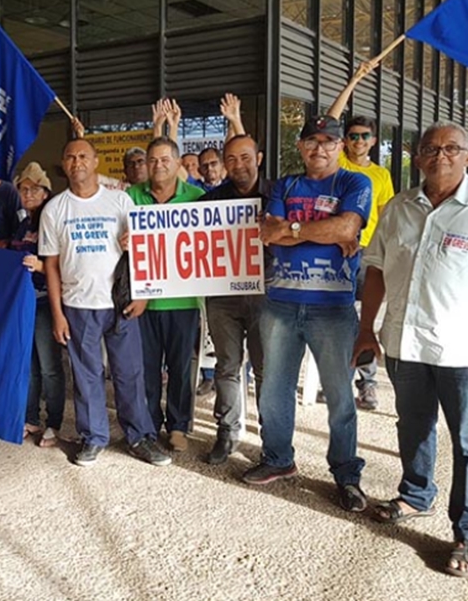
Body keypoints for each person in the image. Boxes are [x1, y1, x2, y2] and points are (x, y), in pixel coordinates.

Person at [353, 122, 468, 578]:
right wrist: (366, 329)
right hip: (404, 344)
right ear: (416, 156)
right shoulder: (397, 208)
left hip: (464, 351)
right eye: (430, 148)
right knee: (413, 425)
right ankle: (415, 494)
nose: (440, 156)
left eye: (452, 148)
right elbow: (374, 270)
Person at [245, 115, 371, 514]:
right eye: (312, 142)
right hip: (280, 303)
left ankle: (346, 475)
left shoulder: (354, 183)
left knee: (339, 397)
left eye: (329, 142)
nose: (320, 148)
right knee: (274, 389)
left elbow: (349, 226)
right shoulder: (285, 185)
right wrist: (325, 229)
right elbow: (268, 232)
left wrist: (294, 229)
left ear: (341, 147)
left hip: (332, 308)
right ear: (300, 147)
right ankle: (278, 459)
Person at [39, 138, 170, 468]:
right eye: (70, 157)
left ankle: (139, 436)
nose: (77, 161)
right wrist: (57, 313)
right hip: (78, 304)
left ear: (96, 162)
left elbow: (144, 251)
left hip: (121, 302)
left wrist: (142, 295)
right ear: (64, 164)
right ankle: (93, 436)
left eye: (84, 155)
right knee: (86, 376)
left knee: (129, 374)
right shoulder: (54, 209)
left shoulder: (119, 201)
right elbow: (51, 266)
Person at [197, 133, 273, 465]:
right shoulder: (209, 202)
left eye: (245, 157)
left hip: (266, 293)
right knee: (227, 366)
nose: (238, 164)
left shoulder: (278, 196)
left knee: (266, 369)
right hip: (223, 295)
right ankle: (227, 431)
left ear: (258, 158)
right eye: (231, 159)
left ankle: (273, 438)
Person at [127, 137, 204, 452]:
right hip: (140, 300)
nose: (158, 166)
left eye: (164, 160)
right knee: (144, 367)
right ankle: (147, 424)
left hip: (183, 300)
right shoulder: (130, 197)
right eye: (152, 160)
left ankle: (178, 426)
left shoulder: (198, 199)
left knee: (180, 367)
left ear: (178, 163)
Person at [327, 60, 396, 410]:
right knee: (339, 317)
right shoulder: (338, 164)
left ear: (373, 141)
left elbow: (386, 218)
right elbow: (329, 120)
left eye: (364, 136)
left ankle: (368, 384)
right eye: (351, 136)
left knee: (366, 318)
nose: (357, 141)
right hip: (337, 252)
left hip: (368, 255)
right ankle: (337, 378)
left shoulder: (382, 176)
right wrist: (354, 80)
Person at [9, 162, 65, 448]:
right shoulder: (23, 224)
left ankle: (54, 422)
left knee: (49, 367)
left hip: (45, 303)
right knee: (28, 365)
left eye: (34, 189)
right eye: (24, 189)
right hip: (23, 304)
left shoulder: (52, 221)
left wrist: (41, 266)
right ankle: (31, 417)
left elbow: (66, 263)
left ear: (46, 193)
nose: (28, 194)